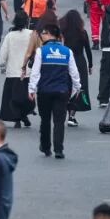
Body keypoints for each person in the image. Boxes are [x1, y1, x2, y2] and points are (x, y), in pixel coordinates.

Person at [28, 24, 81, 160]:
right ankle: (59, 149)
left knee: (45, 120)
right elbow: (74, 73)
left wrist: (31, 89)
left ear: (50, 34)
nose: (41, 35)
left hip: (44, 91)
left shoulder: (41, 51)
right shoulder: (67, 51)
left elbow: (35, 73)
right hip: (62, 91)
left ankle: (46, 147)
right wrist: (77, 88)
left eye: (43, 33)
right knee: (59, 121)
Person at [0, 11, 34, 128]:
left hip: (12, 72)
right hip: (27, 72)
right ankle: (24, 115)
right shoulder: (31, 34)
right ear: (27, 21)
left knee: (13, 98)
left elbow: (3, 53)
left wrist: (2, 65)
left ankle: (17, 118)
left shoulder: (10, 36)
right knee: (25, 97)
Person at [60, 9, 92, 127]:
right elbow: (88, 50)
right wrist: (90, 65)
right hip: (79, 61)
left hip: (66, 61)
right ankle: (72, 115)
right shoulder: (82, 33)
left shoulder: (63, 32)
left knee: (66, 86)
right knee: (78, 87)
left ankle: (64, 109)